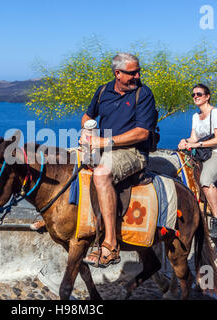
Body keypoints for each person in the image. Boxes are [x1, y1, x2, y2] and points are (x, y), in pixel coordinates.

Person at [79, 53, 158, 268]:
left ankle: (111, 245)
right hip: (101, 145)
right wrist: (87, 132)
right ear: (118, 74)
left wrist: (105, 142)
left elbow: (142, 133)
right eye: (132, 73)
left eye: (138, 71)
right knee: (62, 161)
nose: (137, 75)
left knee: (102, 173)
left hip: (132, 152)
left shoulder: (144, 94)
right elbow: (87, 116)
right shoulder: (103, 90)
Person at [178, 84, 217, 238]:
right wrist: (185, 141)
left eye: (199, 94)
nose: (195, 96)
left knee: (206, 180)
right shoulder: (195, 116)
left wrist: (196, 144)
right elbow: (193, 137)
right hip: (202, 153)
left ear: (207, 96)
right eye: (193, 94)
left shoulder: (216, 113)